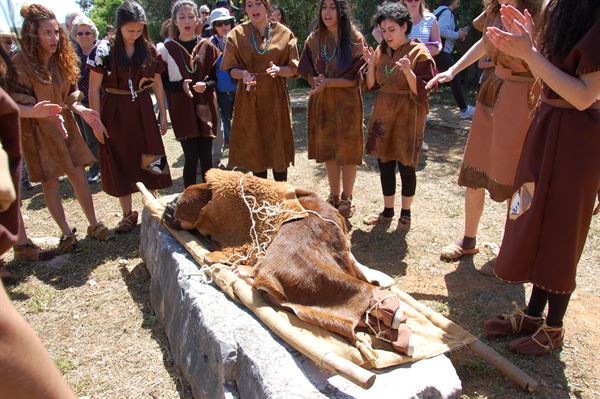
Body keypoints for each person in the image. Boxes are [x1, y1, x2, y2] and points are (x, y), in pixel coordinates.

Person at [482, 2, 600, 355]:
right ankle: (533, 316)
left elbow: (583, 96)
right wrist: (529, 43)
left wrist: (531, 53)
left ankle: (554, 328)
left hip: (578, 138)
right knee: (535, 218)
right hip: (548, 126)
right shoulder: (565, 8)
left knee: (562, 230)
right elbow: (553, 75)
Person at [427, 0, 542, 261]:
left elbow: (543, 64)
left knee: (517, 177)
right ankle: (468, 239)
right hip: (491, 92)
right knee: (475, 166)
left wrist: (528, 47)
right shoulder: (493, 10)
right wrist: (453, 69)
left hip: (522, 99)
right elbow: (485, 43)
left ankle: (512, 247)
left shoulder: (540, 13)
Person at [10, 4, 112, 252]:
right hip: (38, 132)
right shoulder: (19, 62)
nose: (54, 38)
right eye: (47, 33)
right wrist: (35, 111)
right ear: (33, 35)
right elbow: (12, 103)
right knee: (50, 182)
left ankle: (93, 224)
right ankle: (67, 234)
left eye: (56, 32)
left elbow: (69, 96)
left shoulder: (61, 60)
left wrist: (81, 109)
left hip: (65, 126)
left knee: (78, 175)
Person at [88, 0, 172, 233]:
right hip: (114, 109)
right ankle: (127, 214)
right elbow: (93, 88)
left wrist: (163, 115)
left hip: (143, 108)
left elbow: (157, 84)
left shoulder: (149, 49)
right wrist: (96, 121)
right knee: (120, 155)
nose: (134, 34)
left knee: (151, 151)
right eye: (130, 30)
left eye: (138, 29)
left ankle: (153, 204)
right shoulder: (103, 49)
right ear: (119, 26)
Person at [362, 2, 435, 231]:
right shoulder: (381, 50)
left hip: (408, 113)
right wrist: (372, 64)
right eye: (383, 31)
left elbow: (423, 90)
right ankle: (387, 211)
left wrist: (408, 72)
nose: (387, 35)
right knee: (384, 162)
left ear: (404, 26)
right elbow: (371, 85)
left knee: (406, 164)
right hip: (384, 111)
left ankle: (406, 213)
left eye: (391, 30)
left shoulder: (419, 52)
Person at [298, 0, 365, 218]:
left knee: (348, 152)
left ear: (341, 10)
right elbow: (306, 70)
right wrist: (314, 80)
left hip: (348, 104)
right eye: (324, 7)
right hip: (323, 103)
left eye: (332, 7)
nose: (327, 12)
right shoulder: (315, 38)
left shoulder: (355, 39)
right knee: (329, 150)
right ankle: (334, 196)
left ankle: (347, 198)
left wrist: (327, 83)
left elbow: (356, 79)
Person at [221, 0, 299, 181]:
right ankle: (261, 198)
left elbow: (294, 69)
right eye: (249, 4)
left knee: (278, 147)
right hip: (249, 98)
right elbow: (231, 69)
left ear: (267, 6)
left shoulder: (284, 33)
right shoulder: (236, 34)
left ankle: (281, 197)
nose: (254, 9)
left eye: (258, 3)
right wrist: (243, 74)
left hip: (275, 98)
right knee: (256, 150)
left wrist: (279, 70)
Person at [158, 0, 220, 188]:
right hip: (182, 109)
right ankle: (190, 203)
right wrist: (179, 87)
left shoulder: (207, 46)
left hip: (205, 107)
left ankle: (211, 200)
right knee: (191, 159)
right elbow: (161, 82)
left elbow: (216, 77)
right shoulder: (167, 49)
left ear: (197, 20)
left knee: (207, 159)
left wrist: (206, 84)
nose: (187, 21)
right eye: (182, 17)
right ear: (175, 21)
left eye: (191, 16)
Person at [433, 0, 475, 119]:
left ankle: (420, 111)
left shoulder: (439, 11)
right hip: (442, 52)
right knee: (454, 77)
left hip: (435, 51)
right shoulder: (447, 12)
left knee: (427, 80)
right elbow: (442, 30)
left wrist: (457, 33)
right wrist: (458, 34)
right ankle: (464, 110)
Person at [72, 16, 101, 184]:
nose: (84, 36)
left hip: (104, 99)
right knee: (90, 138)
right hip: (83, 103)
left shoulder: (102, 50)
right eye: (80, 33)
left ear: (94, 34)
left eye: (87, 33)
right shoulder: (72, 56)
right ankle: (96, 168)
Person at [209, 7, 237, 166]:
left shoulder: (239, 39)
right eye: (219, 24)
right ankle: (223, 159)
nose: (224, 26)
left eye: (227, 22)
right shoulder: (209, 44)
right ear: (214, 27)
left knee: (240, 125)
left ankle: (241, 157)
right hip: (220, 93)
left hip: (240, 90)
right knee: (224, 126)